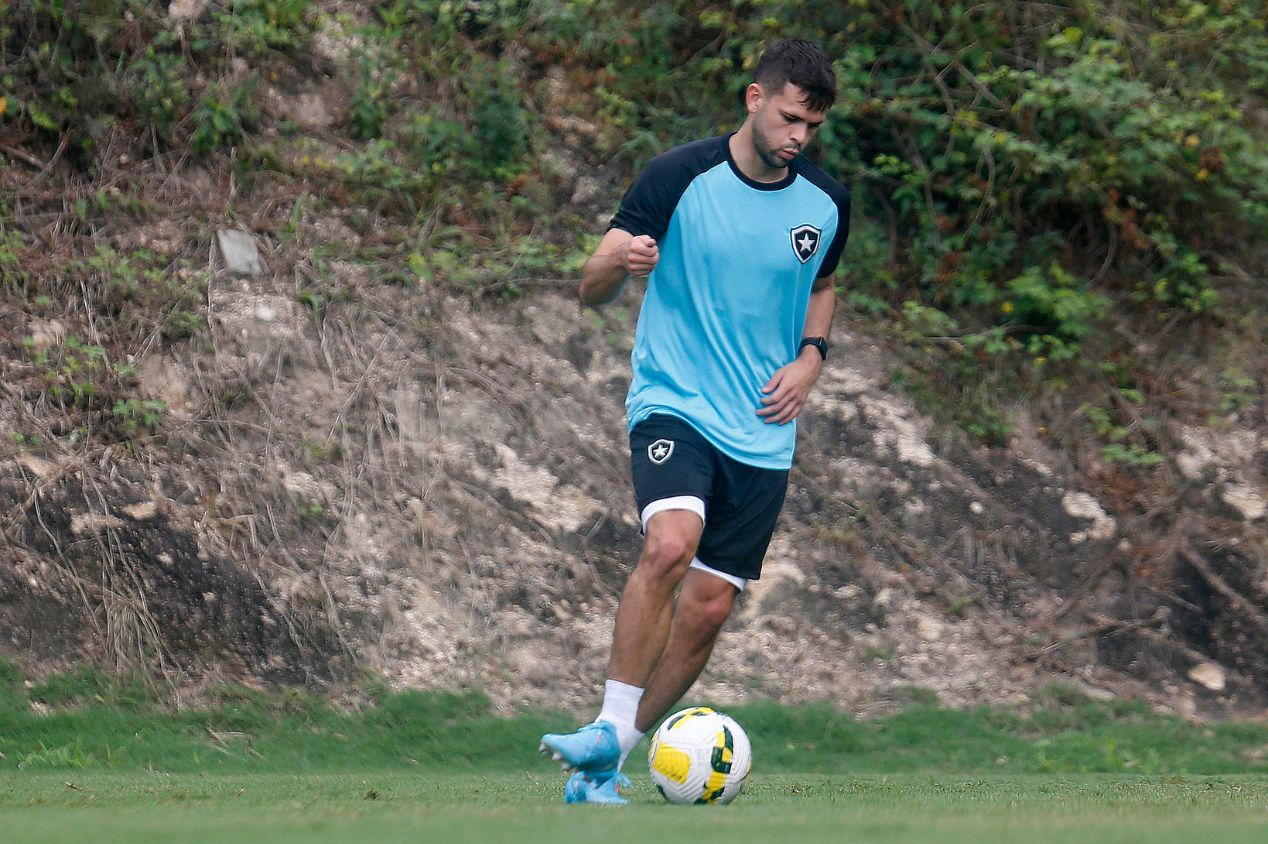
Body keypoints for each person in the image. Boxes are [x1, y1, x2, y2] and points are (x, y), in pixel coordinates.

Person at [539, 38, 850, 804]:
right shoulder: (677, 176)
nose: (797, 137)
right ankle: (610, 724)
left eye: (810, 126)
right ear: (754, 99)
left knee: (710, 608)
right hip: (675, 400)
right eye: (787, 118)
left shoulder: (827, 202)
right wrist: (621, 265)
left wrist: (812, 357)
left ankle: (610, 751)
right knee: (669, 544)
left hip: (764, 428)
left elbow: (825, 284)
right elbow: (590, 287)